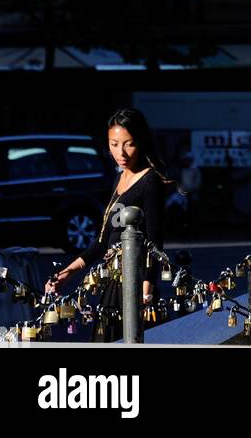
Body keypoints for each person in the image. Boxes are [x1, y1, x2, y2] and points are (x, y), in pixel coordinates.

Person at [47, 108, 178, 342]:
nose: (121, 152)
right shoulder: (119, 177)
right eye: (114, 144)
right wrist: (67, 273)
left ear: (142, 142)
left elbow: (156, 241)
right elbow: (102, 241)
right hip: (112, 281)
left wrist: (147, 284)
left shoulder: (150, 182)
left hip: (136, 281)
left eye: (129, 144)